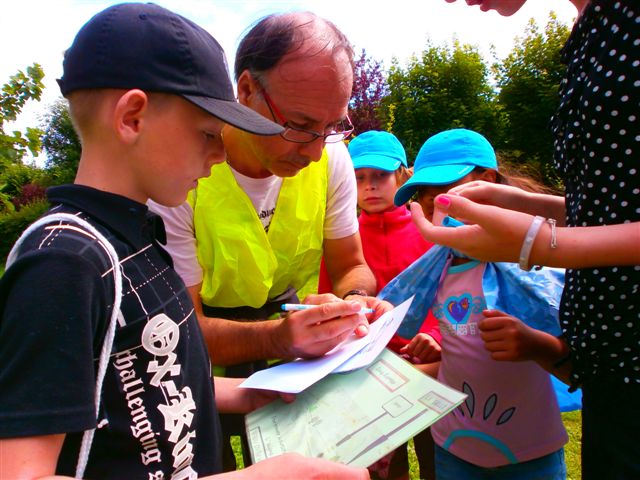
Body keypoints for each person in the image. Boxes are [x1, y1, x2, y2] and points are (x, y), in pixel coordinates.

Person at [0, 4, 370, 479]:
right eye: (207, 134)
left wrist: (252, 393)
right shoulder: (63, 263)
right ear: (132, 117)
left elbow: (158, 376)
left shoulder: (141, 243)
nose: (220, 155)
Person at [149, 11, 391, 470]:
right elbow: (182, 330)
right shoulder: (183, 169)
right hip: (197, 360)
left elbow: (351, 266)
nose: (316, 149)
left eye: (332, 126)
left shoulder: (331, 158)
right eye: (300, 125)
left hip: (292, 342)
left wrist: (353, 303)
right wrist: (279, 338)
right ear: (245, 91)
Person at [416, 2, 640, 478]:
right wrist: (536, 210)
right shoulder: (591, 36)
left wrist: (541, 245)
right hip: (612, 376)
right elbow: (614, 206)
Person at [387, 128, 569, 479]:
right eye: (428, 200)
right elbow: (458, 335)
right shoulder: (435, 270)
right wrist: (439, 343)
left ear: (488, 183)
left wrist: (534, 344)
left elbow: (573, 346)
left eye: (447, 194)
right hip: (454, 447)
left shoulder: (533, 264)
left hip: (529, 450)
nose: (439, 207)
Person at [319, 130, 440, 480]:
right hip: (370, 372)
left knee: (438, 458)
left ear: (403, 174)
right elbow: (333, 297)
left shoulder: (430, 232)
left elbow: (449, 293)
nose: (369, 186)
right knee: (385, 467)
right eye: (358, 178)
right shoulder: (343, 242)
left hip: (430, 365)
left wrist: (436, 337)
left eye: (380, 176)